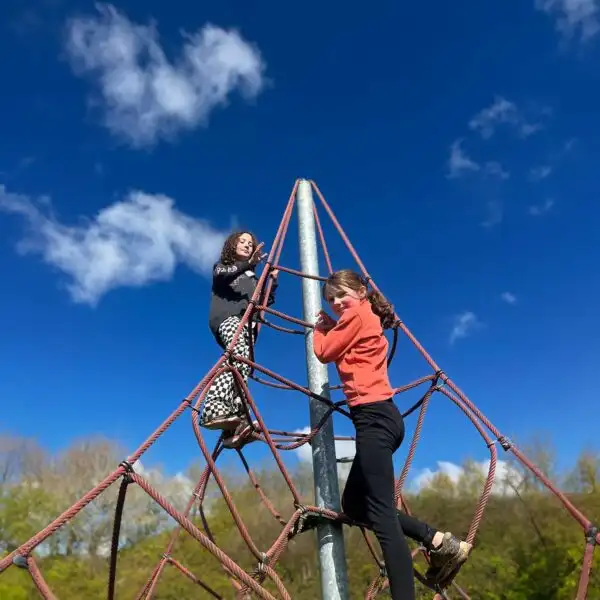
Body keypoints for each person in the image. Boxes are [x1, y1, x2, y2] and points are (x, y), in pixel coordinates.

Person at [313, 269, 471, 598]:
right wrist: (331, 326)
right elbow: (341, 344)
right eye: (331, 300)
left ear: (361, 291)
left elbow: (324, 351)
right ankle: (439, 541)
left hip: (374, 420)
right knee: (355, 504)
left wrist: (317, 327)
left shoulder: (358, 314)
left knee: (383, 517)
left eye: (342, 294)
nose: (337, 302)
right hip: (379, 419)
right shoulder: (362, 318)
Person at [200, 231, 278, 448]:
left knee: (243, 368)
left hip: (246, 325)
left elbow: (262, 302)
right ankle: (213, 407)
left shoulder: (251, 277)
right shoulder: (225, 266)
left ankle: (233, 428)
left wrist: (272, 282)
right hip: (229, 318)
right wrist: (249, 266)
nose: (246, 245)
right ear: (232, 245)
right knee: (240, 357)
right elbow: (222, 277)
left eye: (250, 243)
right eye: (242, 241)